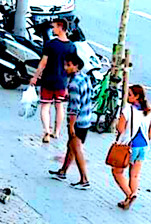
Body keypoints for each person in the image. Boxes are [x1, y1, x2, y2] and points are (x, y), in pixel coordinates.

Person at [48, 53, 93, 190]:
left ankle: (84, 179)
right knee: (71, 146)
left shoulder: (73, 84)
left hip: (78, 122)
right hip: (87, 117)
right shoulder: (84, 77)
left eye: (68, 65)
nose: (65, 67)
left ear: (76, 66)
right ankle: (63, 171)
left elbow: (74, 108)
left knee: (76, 148)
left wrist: (71, 126)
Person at [29, 18, 76, 143]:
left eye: (54, 27)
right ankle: (57, 132)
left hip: (48, 80)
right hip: (62, 82)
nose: (53, 29)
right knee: (59, 106)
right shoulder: (72, 47)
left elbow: (43, 63)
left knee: (45, 106)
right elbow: (72, 68)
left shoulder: (50, 44)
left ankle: (46, 132)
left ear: (61, 27)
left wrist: (35, 76)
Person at [112, 85, 151, 210]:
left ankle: (130, 195)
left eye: (130, 94)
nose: (127, 96)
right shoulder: (148, 111)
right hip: (144, 147)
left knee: (117, 171)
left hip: (129, 146)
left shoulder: (127, 110)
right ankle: (128, 199)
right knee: (135, 175)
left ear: (137, 97)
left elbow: (120, 129)